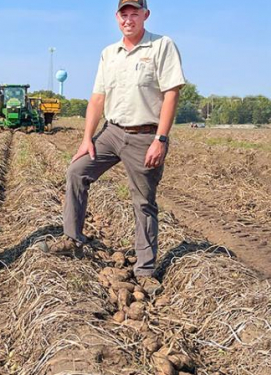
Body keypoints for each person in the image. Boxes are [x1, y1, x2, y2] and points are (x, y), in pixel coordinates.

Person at [45, 0, 185, 294]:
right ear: (117, 17)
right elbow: (97, 99)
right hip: (111, 132)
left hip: (145, 135)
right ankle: (72, 238)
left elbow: (171, 94)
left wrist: (160, 138)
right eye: (124, 13)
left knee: (143, 202)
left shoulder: (161, 46)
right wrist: (87, 138)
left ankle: (145, 269)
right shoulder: (109, 54)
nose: (129, 18)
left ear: (145, 15)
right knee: (76, 171)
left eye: (135, 13)